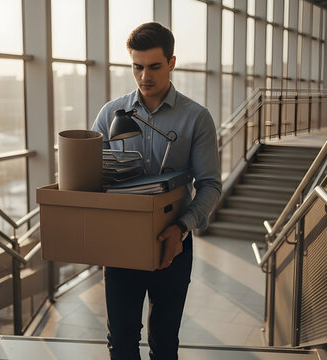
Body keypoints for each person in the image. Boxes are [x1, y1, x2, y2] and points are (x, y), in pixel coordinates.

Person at [91, 22, 221, 360]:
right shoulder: (111, 114)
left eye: (154, 67)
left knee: (164, 345)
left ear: (172, 62)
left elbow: (210, 186)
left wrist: (182, 228)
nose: (144, 76)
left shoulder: (196, 118)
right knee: (120, 342)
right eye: (137, 67)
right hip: (121, 245)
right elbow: (89, 180)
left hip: (174, 242)